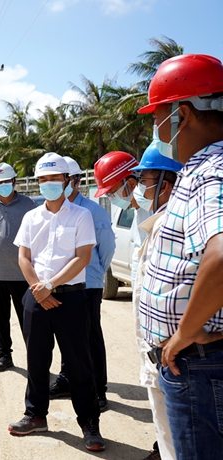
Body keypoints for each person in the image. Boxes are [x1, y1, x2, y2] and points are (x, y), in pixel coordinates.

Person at [137, 53, 223, 459]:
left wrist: (185, 334)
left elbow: (220, 256)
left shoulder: (212, 170)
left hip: (200, 364)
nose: (156, 130)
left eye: (157, 117)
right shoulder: (201, 168)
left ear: (182, 114)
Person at [9, 152, 105, 452]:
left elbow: (83, 257)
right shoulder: (31, 217)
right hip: (36, 297)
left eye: (54, 178)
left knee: (79, 363)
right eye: (43, 179)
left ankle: (89, 423)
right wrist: (38, 289)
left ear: (66, 180)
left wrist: (50, 285)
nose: (48, 183)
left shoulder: (81, 215)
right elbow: (24, 257)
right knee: (36, 360)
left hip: (71, 297)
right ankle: (35, 415)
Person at [129, 143, 182, 460]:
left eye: (144, 180)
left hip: (171, 352)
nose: (139, 188)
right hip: (159, 349)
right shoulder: (159, 221)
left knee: (174, 437)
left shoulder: (170, 224)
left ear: (165, 185)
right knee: (167, 434)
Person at [49, 157, 115, 411]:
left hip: (87, 283)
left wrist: (96, 273)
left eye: (64, 179)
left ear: (75, 180)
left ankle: (98, 389)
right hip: (61, 283)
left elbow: (107, 248)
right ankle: (67, 379)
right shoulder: (53, 211)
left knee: (90, 336)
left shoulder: (93, 212)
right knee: (67, 335)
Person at [0, 162, 37, 371]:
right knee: (0, 318)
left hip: (23, 275)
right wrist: (1, 247)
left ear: (14, 181)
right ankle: (4, 355)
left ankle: (35, 358)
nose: (3, 185)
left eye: (6, 181)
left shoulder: (29, 204)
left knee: (28, 318)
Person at [92, 151, 151, 292]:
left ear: (131, 183)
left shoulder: (154, 210)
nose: (111, 198)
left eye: (112, 193)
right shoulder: (138, 211)